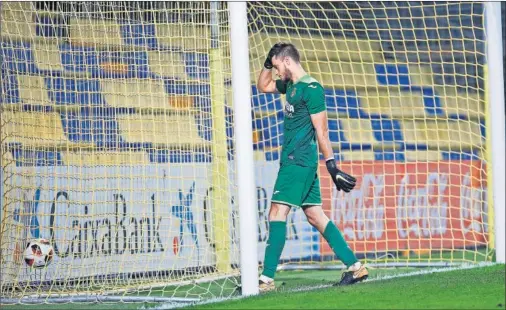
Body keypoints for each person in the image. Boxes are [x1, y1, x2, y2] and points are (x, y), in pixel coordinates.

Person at [256, 42, 368, 292]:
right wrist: (266, 62)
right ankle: (355, 266)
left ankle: (266, 279)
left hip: (299, 161)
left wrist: (332, 166)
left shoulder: (312, 89)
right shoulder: (290, 86)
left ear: (287, 62)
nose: (275, 72)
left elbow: (322, 131)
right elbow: (263, 86)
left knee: (276, 213)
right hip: (296, 161)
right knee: (315, 215)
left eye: (276, 67)